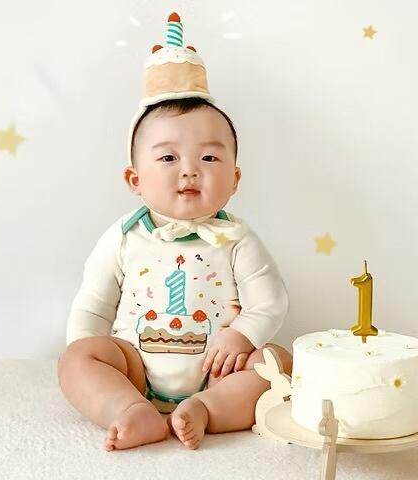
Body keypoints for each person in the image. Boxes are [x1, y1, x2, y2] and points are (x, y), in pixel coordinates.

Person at [57, 12, 292, 451]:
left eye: (209, 158)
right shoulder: (124, 237)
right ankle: (129, 408)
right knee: (75, 358)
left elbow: (269, 300)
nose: (189, 170)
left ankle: (206, 408)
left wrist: (242, 335)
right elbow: (93, 303)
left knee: (275, 362)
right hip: (134, 368)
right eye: (168, 158)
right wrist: (91, 359)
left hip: (217, 369)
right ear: (135, 179)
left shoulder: (237, 239)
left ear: (234, 179)